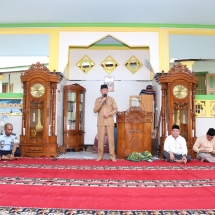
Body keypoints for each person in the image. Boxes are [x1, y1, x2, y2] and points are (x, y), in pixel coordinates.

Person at [93, 84, 118, 161]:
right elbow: (95, 110)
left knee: (111, 140)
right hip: (101, 122)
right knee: (101, 140)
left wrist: (109, 113)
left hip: (109, 121)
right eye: (103, 90)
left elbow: (116, 109)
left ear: (107, 91)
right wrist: (101, 102)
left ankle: (112, 156)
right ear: (101, 91)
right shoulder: (98, 100)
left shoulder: (112, 99)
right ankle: (100, 156)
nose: (105, 91)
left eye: (106, 90)